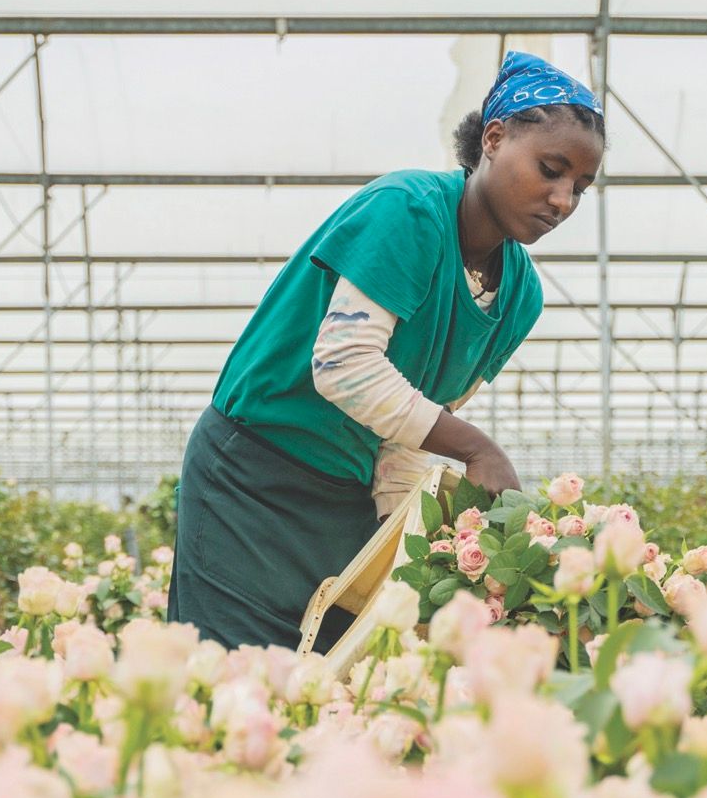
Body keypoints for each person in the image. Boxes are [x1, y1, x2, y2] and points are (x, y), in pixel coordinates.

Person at [169, 51, 605, 650]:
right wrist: (478, 448)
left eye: (580, 187)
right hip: (251, 478)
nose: (562, 200)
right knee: (232, 678)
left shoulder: (520, 295)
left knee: (337, 677)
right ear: (495, 139)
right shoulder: (410, 211)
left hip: (342, 496)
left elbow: (410, 431)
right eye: (550, 169)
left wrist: (405, 555)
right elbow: (343, 367)